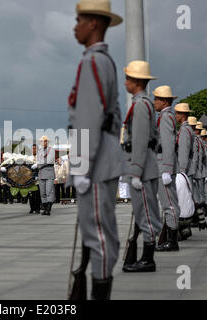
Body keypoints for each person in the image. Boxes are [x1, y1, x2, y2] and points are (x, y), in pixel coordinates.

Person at [67, 0, 123, 299]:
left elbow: (88, 118)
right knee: (96, 230)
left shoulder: (92, 62)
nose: (74, 26)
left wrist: (81, 165)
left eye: (79, 20)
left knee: (99, 232)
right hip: (101, 155)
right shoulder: (103, 61)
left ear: (94, 24)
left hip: (95, 161)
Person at [122, 60, 161, 273]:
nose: (125, 82)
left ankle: (148, 259)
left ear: (136, 81)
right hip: (145, 167)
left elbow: (139, 141)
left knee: (145, 214)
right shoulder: (143, 103)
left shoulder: (140, 105)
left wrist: (135, 171)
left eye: (128, 78)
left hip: (142, 170)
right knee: (143, 213)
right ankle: (145, 257)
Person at [152, 85, 180, 252]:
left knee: (169, 203)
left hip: (164, 164)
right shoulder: (165, 116)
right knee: (167, 203)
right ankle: (169, 238)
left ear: (163, 101)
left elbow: (168, 145)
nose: (154, 102)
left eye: (156, 99)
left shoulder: (167, 117)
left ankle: (172, 241)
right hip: (161, 163)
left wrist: (167, 169)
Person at [175, 105, 194, 240]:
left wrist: (181, 171)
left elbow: (183, 152)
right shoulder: (187, 129)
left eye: (177, 114)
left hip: (183, 169)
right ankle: (185, 229)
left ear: (182, 115)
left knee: (181, 199)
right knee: (185, 198)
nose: (175, 116)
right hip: (188, 169)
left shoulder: (184, 130)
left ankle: (182, 229)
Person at [33, 136, 55, 216]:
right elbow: (37, 160)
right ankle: (45, 208)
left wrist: (38, 165)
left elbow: (49, 160)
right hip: (41, 174)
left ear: (47, 142)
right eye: (42, 141)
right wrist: (38, 164)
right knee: (43, 193)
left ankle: (48, 209)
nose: (44, 143)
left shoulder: (51, 150)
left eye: (45, 141)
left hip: (49, 173)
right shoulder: (39, 151)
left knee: (49, 191)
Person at [28, 144, 41, 214]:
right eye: (33, 149)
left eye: (35, 149)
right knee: (31, 195)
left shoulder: (40, 158)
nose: (34, 150)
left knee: (37, 195)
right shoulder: (29, 158)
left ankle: (37, 208)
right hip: (30, 179)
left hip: (38, 178)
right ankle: (32, 208)